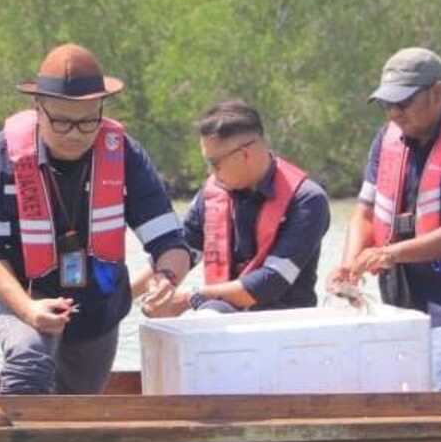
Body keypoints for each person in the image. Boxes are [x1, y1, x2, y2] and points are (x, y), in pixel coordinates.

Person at [0, 43, 191, 394]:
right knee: (29, 356)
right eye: (62, 121)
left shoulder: (126, 155)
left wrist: (167, 277)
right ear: (37, 109)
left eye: (88, 121)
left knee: (79, 406)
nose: (76, 134)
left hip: (98, 309)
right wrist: (27, 309)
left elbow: (171, 243)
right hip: (24, 294)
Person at [332, 47, 441, 390]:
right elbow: (364, 213)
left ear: (437, 92)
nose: (394, 114)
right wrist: (349, 264)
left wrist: (390, 253)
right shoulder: (387, 139)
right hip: (398, 302)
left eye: (403, 103)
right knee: (401, 398)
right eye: (387, 105)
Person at [139, 99, 330, 317]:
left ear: (244, 155)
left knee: (206, 317)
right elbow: (181, 251)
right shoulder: (212, 194)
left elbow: (270, 282)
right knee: (203, 318)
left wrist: (191, 297)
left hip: (283, 325)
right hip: (219, 313)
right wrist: (159, 285)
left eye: (214, 163)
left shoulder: (308, 200)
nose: (210, 173)